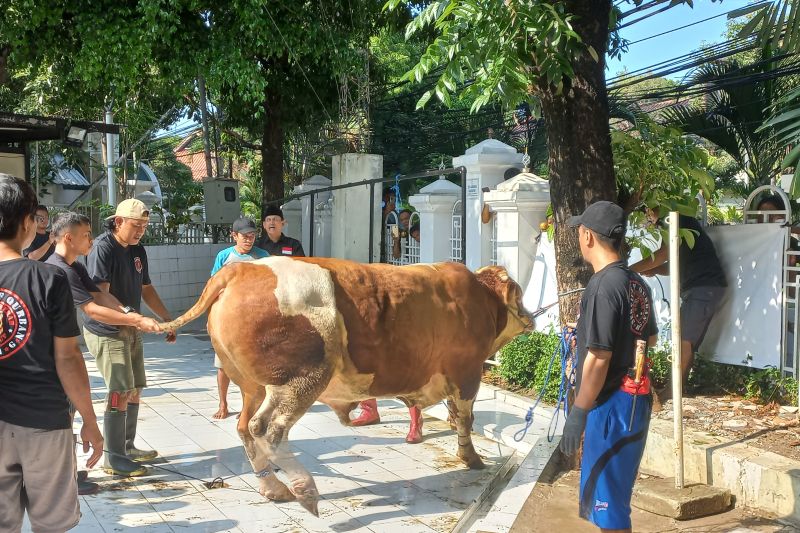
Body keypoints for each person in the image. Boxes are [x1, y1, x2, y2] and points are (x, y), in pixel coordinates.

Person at [0, 174, 103, 532]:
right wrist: (89, 419)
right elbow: (69, 358)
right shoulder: (48, 279)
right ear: (28, 223)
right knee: (51, 525)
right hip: (43, 422)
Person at [45, 211, 162, 493]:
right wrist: (135, 320)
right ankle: (77, 472)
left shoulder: (75, 266)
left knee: (75, 409)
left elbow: (101, 295)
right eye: (86, 235)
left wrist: (128, 312)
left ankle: (75, 471)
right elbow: (92, 309)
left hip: (65, 349)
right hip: (53, 353)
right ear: (69, 238)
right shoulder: (57, 269)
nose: (91, 239)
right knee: (67, 413)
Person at [560, 200, 657, 533]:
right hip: (635, 401)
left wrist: (579, 411)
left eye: (579, 231)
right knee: (613, 498)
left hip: (611, 406)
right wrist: (586, 331)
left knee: (610, 508)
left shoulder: (602, 286)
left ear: (588, 236)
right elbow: (649, 337)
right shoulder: (636, 282)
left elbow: (599, 357)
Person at [84, 198, 175, 477]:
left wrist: (166, 318)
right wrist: (130, 314)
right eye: (136, 226)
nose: (140, 231)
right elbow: (99, 293)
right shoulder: (103, 248)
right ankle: (113, 458)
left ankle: (127, 445)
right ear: (119, 221)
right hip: (108, 329)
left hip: (131, 326)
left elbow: (146, 288)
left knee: (134, 388)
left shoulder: (137, 249)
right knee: (119, 390)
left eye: (144, 226)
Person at [629, 207, 726, 394]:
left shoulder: (675, 222)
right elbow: (674, 263)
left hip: (703, 287)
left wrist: (627, 271)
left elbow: (664, 254)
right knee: (685, 342)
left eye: (647, 212)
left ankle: (672, 391)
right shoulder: (680, 223)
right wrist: (654, 269)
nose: (646, 217)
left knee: (682, 340)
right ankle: (677, 389)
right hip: (703, 287)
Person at [210, 217, 269, 419]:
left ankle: (248, 408)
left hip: (255, 320)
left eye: (252, 236)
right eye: (245, 236)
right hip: (228, 321)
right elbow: (214, 285)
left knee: (252, 366)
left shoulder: (263, 256)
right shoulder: (224, 257)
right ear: (234, 236)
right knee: (223, 364)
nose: (249, 240)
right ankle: (223, 404)